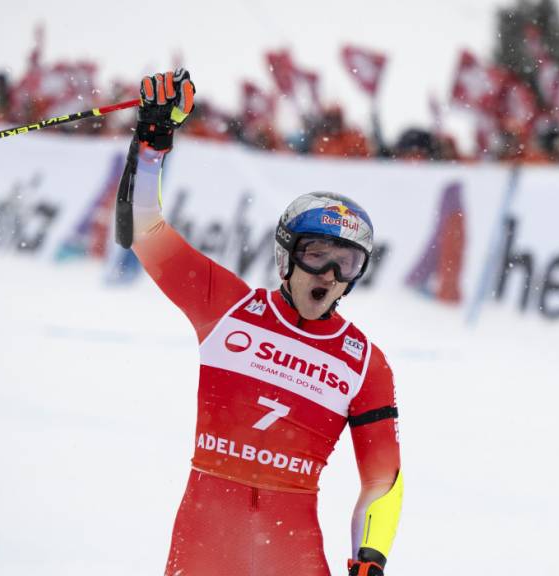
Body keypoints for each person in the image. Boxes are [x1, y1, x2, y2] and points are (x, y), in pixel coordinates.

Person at [114, 70, 402, 576]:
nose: (330, 276)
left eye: (348, 264)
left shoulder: (365, 364)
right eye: (316, 255)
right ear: (286, 256)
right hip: (206, 541)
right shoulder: (226, 306)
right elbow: (142, 230)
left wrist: (370, 560)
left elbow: (382, 481)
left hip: (291, 553)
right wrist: (153, 140)